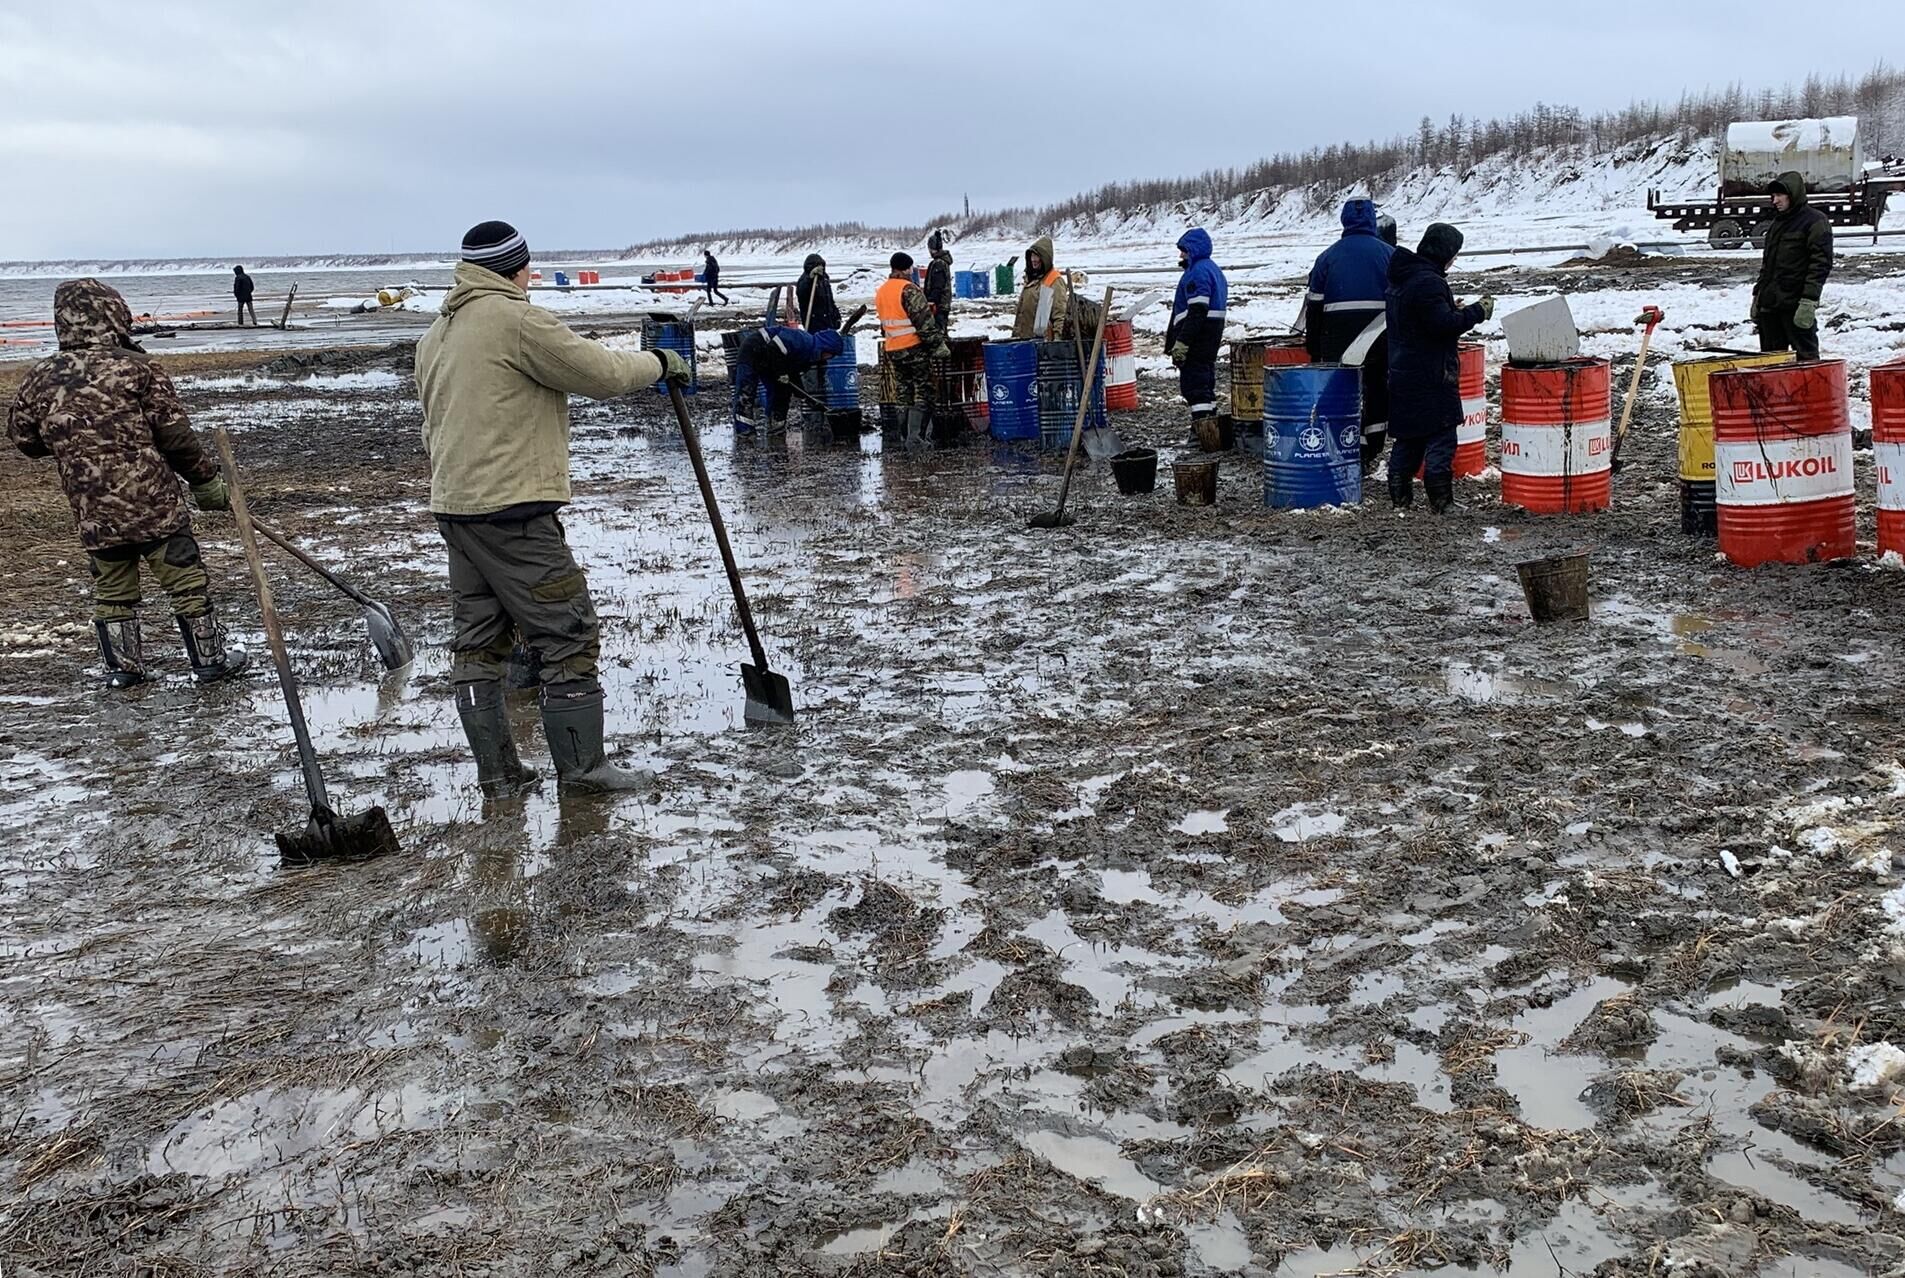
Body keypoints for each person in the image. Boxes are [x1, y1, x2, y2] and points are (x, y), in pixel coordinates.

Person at [415, 220, 691, 796]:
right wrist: (662, 363)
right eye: (526, 268)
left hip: (457, 509)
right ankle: (584, 771)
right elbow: (602, 373)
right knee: (567, 633)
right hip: (512, 511)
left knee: (477, 641)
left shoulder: (436, 334)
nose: (530, 278)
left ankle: (500, 775)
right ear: (516, 268)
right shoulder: (516, 321)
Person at [7, 278, 249, 688]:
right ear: (114, 313)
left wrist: (76, 442)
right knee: (185, 580)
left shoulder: (40, 377)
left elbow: (25, 440)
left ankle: (124, 671)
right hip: (154, 505)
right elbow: (175, 436)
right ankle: (209, 663)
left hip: (94, 510)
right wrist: (206, 482)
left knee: (112, 589)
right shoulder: (138, 366)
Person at [1384, 223, 1492, 514]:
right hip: (1430, 373)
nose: (1454, 259)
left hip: (1403, 371)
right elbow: (1442, 326)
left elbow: (1420, 319)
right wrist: (1475, 313)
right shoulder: (1428, 282)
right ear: (1445, 252)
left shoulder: (1402, 277)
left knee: (1408, 438)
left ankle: (1400, 499)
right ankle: (1441, 501)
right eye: (1454, 253)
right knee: (1441, 437)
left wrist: (1448, 309)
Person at [1305, 198, 1396, 474]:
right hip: (1379, 337)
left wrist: (1314, 345)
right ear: (1371, 219)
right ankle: (1372, 445)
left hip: (1337, 337)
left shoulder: (1327, 258)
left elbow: (1314, 306)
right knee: (1377, 386)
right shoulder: (1389, 255)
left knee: (1341, 390)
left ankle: (1342, 443)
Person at [1752, 171, 1832, 361]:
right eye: (1773, 196)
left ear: (1793, 194)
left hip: (1796, 305)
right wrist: (1758, 296)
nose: (1775, 201)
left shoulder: (1815, 222)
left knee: (1807, 360)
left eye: (1780, 195)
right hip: (1770, 306)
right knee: (1772, 363)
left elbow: (1821, 264)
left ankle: (1812, 392)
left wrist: (1809, 301)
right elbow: (1767, 265)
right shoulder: (1776, 224)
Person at [876, 251, 949, 448]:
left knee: (903, 391)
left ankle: (904, 435)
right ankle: (916, 437)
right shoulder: (909, 289)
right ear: (907, 268)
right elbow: (924, 323)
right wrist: (938, 346)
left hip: (893, 349)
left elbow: (885, 325)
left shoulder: (882, 291)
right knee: (925, 390)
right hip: (913, 347)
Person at [1164, 228, 1228, 446]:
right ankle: (1210, 430)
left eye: (1184, 251)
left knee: (1194, 386)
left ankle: (1201, 435)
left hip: (1198, 339)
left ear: (1193, 250)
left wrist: (1182, 341)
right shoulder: (1213, 270)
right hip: (1210, 337)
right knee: (1205, 384)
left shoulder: (1197, 273)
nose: (1181, 256)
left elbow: (1197, 310)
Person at [732, 323, 847, 432]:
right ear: (825, 347)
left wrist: (804, 396)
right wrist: (782, 373)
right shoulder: (803, 341)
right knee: (746, 391)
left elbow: (793, 375)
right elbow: (774, 347)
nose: (829, 358)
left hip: (769, 359)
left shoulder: (808, 358)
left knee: (781, 391)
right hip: (754, 349)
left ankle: (776, 426)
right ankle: (744, 430)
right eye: (831, 354)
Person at [1010, 235, 1071, 341]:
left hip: (1043, 344)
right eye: (1032, 256)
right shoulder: (1031, 280)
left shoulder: (1054, 281)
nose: (1033, 260)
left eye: (1037, 256)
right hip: (1025, 341)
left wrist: (1057, 343)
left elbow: (1060, 315)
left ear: (1045, 258)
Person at [795, 253, 840, 331]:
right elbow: (802, 294)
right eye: (818, 265)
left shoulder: (824, 279)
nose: (821, 267)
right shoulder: (804, 280)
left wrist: (837, 316)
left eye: (822, 265)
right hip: (814, 323)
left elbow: (830, 301)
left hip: (828, 322)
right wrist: (810, 279)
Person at [924, 231, 954, 334]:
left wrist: (931, 301)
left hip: (939, 306)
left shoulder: (938, 264)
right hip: (942, 304)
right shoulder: (942, 262)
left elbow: (937, 285)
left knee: (938, 333)